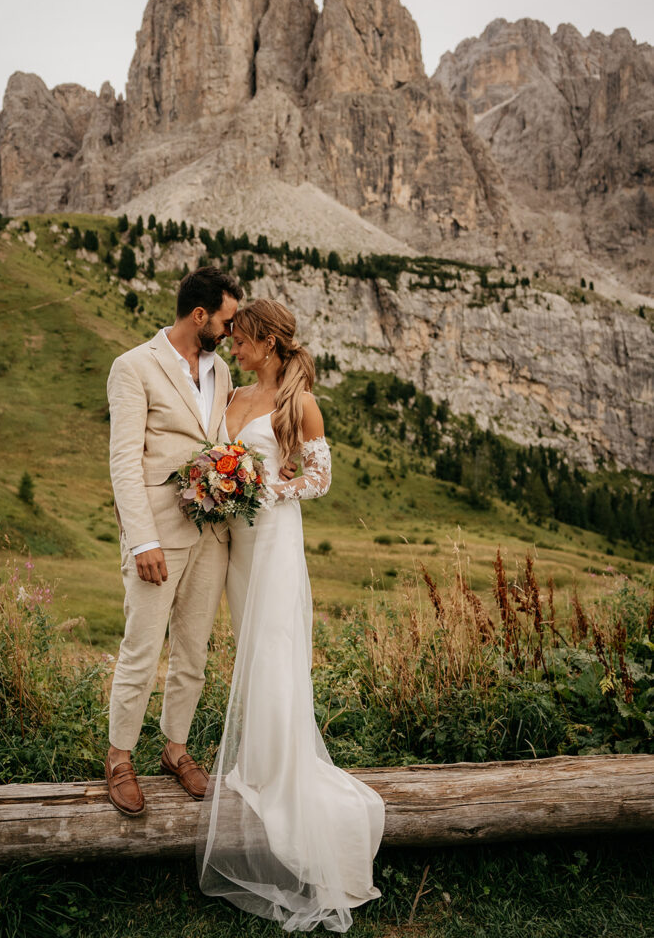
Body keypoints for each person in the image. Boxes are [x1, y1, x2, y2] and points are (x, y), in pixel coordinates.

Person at [197, 298, 385, 933]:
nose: (234, 348)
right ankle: (256, 757)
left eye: (244, 341)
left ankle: (278, 770)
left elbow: (318, 478)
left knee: (273, 644)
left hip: (274, 537)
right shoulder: (233, 397)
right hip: (239, 542)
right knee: (248, 647)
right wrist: (219, 481)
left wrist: (258, 487)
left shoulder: (298, 402)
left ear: (271, 342)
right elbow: (218, 453)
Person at [104, 266, 242, 816]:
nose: (232, 331)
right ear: (200, 315)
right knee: (141, 648)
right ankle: (119, 757)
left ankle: (176, 749)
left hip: (214, 534)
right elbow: (123, 463)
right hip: (158, 533)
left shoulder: (223, 371)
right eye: (227, 321)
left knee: (193, 651)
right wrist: (142, 541)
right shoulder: (133, 366)